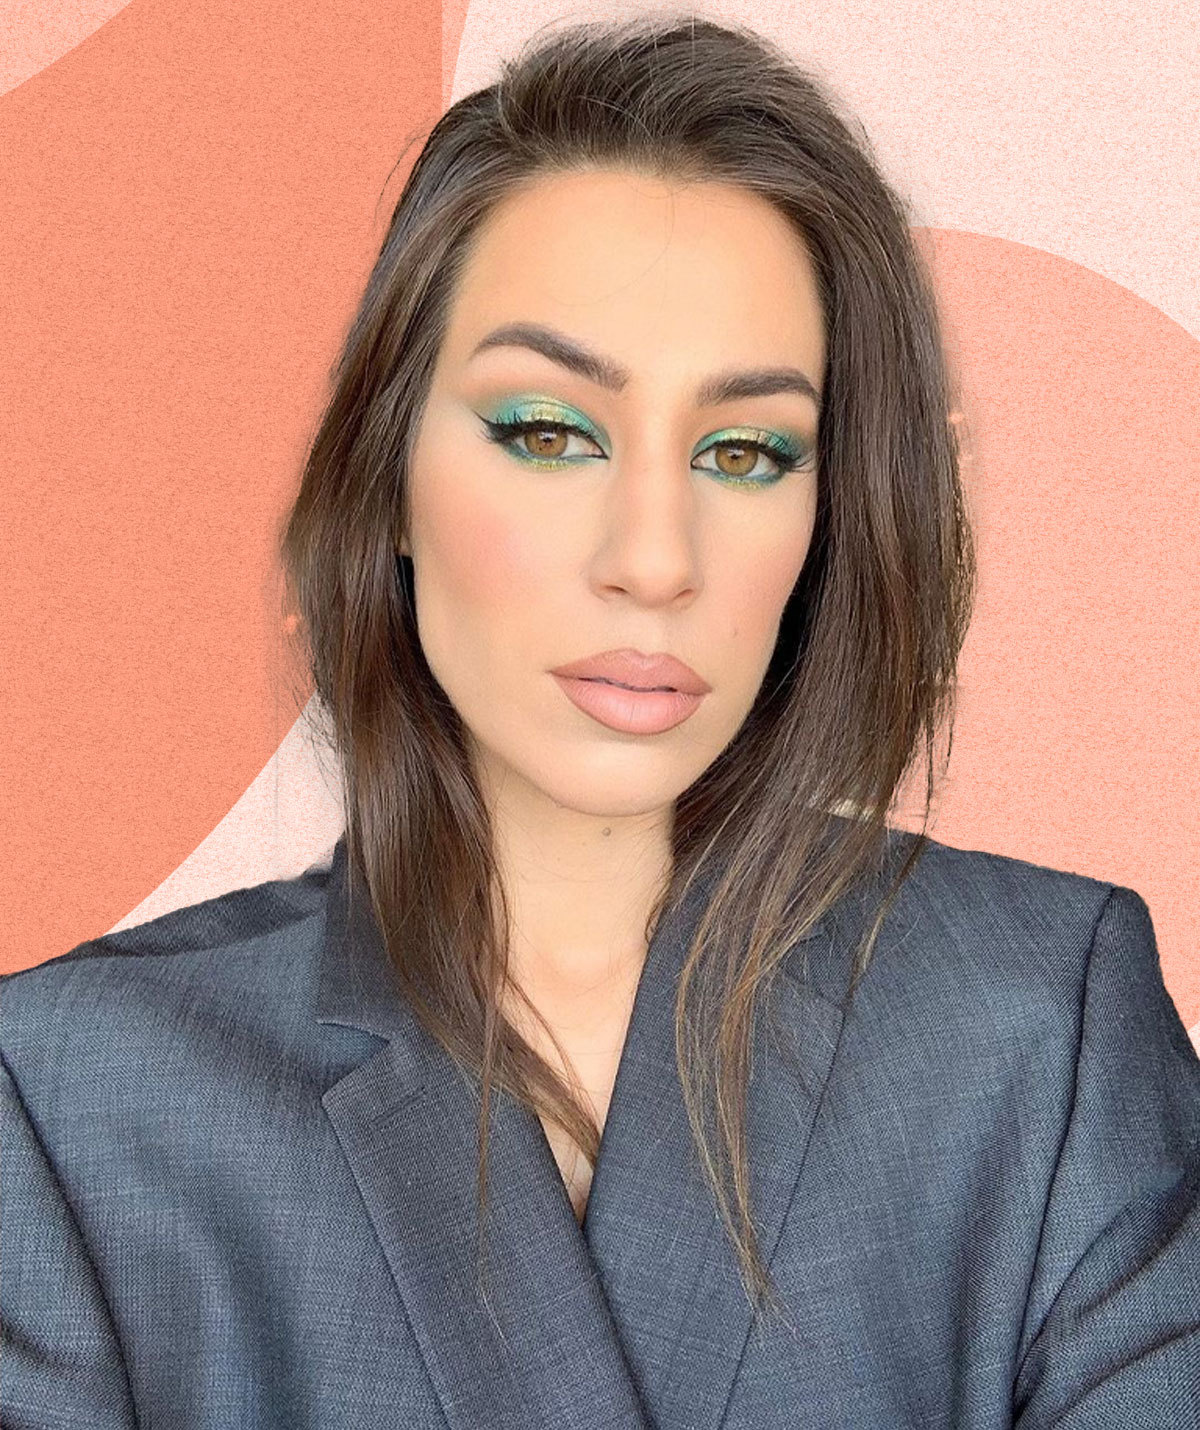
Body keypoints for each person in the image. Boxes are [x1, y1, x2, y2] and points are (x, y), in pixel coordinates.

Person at [3, 13, 1197, 1429]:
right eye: (549, 431)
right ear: (387, 474)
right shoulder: (74, 1094)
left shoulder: (1041, 1023)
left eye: (744, 451)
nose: (654, 558)